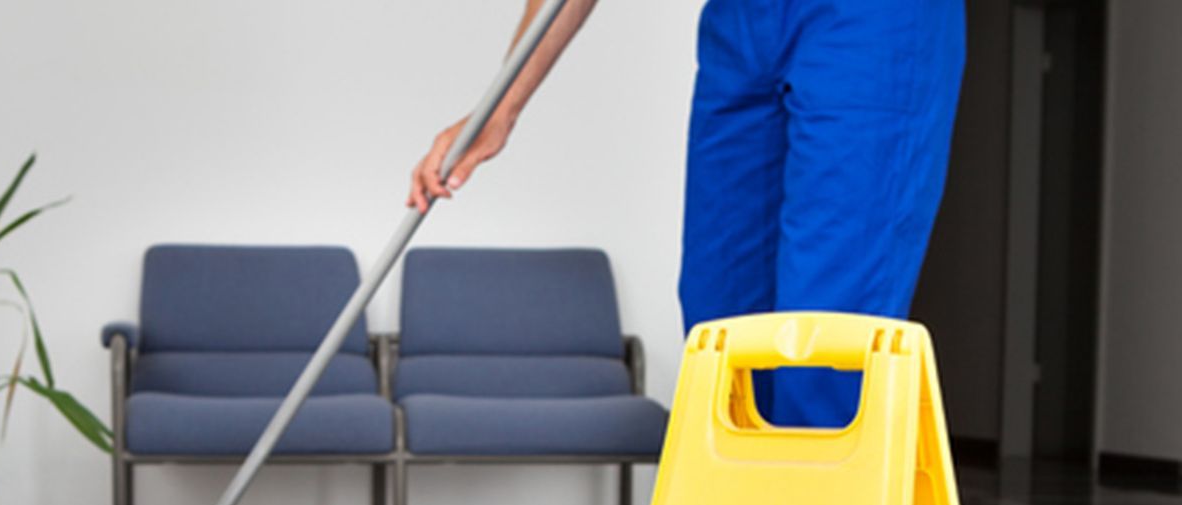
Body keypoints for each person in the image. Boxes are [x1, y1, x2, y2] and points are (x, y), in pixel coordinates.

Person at [410, 0, 966, 429]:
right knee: (721, 327)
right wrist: (501, 108)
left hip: (872, 23)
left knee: (825, 341)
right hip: (744, 22)